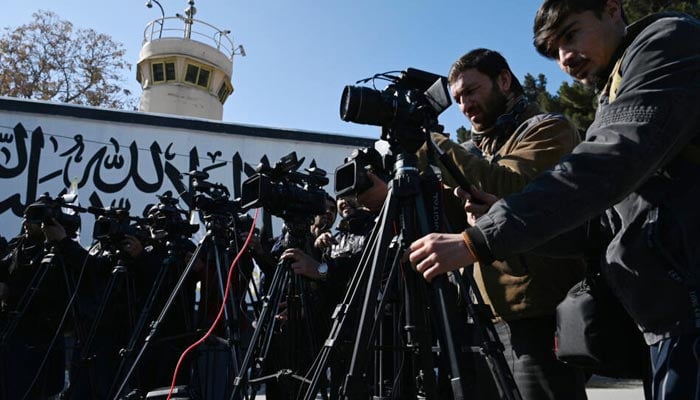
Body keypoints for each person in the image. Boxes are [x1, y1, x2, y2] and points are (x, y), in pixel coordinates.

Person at [409, 2, 700, 399]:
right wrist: (490, 224)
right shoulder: (611, 95)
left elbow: (601, 168)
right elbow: (599, 223)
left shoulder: (666, 43)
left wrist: (477, 239)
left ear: (612, 9)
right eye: (553, 50)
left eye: (570, 34)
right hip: (666, 316)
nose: (564, 58)